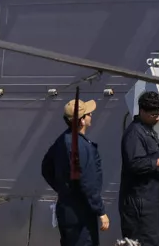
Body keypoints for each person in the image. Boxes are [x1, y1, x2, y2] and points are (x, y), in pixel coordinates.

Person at [41, 98, 108, 246]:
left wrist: (63, 188)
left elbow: (46, 167)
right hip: (81, 215)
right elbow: (88, 183)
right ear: (82, 121)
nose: (91, 115)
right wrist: (101, 211)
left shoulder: (62, 140)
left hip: (66, 210)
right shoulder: (82, 147)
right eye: (88, 114)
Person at [120, 91, 159, 246]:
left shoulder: (148, 131)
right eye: (154, 115)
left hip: (152, 200)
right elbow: (135, 164)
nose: (158, 118)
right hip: (139, 204)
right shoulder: (134, 134)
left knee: (156, 240)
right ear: (142, 111)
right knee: (143, 241)